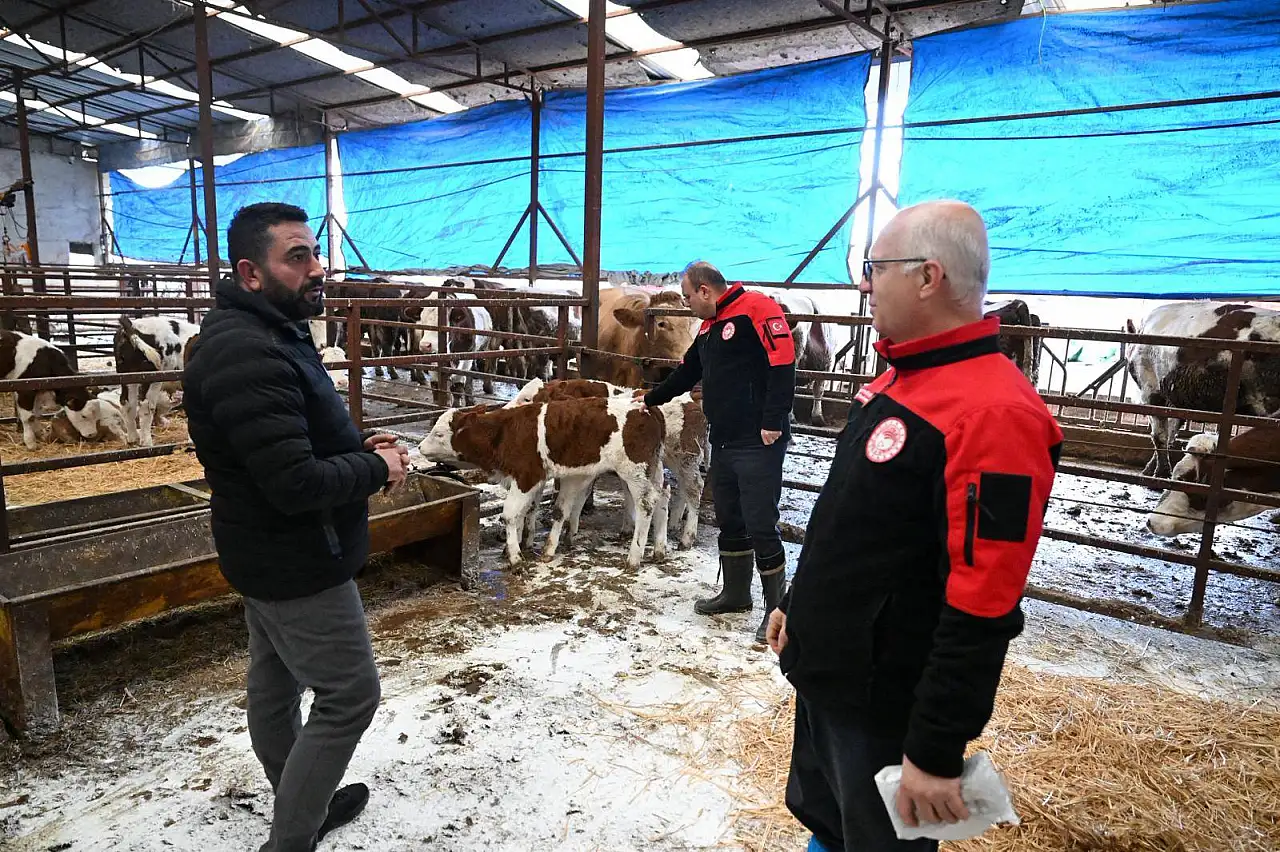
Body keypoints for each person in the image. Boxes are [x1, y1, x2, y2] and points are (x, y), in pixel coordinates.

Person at [766, 201, 1062, 852]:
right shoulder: (901, 380)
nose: (865, 284)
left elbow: (984, 602)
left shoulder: (995, 415)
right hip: (832, 675)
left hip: (884, 701)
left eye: (874, 268)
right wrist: (797, 602)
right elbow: (851, 521)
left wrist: (934, 748)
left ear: (928, 278)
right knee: (828, 820)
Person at [183, 202, 410, 852]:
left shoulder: (270, 330)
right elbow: (293, 484)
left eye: (315, 252)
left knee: (275, 687)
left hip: (264, 550)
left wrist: (361, 445)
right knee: (349, 696)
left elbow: (296, 441)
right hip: (296, 556)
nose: (318, 267)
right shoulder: (248, 353)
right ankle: (292, 839)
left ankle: (298, 798)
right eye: (298, 256)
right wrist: (375, 467)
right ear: (252, 273)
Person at [639, 261, 796, 643]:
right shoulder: (709, 327)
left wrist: (773, 420)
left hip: (759, 439)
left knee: (761, 521)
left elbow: (783, 363)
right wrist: (649, 399)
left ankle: (775, 611)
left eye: (688, 296)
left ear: (705, 290)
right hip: (724, 438)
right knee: (730, 516)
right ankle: (736, 593)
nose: (687, 303)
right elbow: (687, 371)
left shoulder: (757, 309)